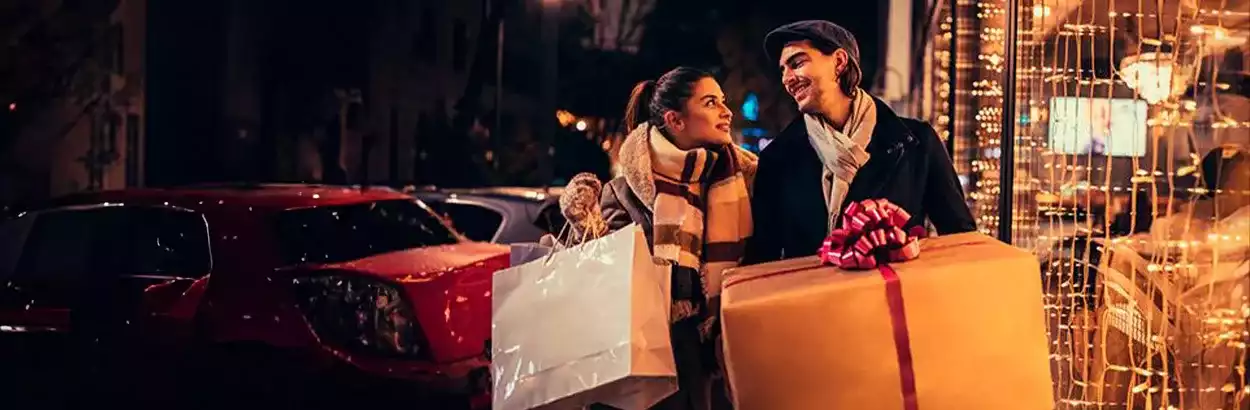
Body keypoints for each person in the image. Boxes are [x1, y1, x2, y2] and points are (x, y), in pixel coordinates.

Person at [564, 67, 755, 410]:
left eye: (723, 102)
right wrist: (585, 222)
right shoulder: (625, 193)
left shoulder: (740, 185)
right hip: (646, 363)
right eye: (711, 103)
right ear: (675, 120)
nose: (727, 112)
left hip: (716, 356)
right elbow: (604, 278)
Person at [744, 20, 975, 264]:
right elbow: (762, 259)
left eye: (797, 63)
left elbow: (960, 239)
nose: (787, 79)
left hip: (895, 298)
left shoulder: (916, 143)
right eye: (783, 70)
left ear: (839, 62)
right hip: (812, 300)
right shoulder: (777, 159)